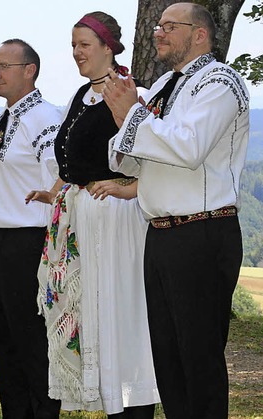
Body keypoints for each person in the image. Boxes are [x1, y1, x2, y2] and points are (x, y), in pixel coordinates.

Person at [103, 3, 249, 418]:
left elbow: (188, 147)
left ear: (200, 34)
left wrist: (129, 115)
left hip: (202, 232)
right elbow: (130, 159)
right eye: (157, 25)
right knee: (167, 357)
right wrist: (126, 118)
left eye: (170, 26)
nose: (158, 33)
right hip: (161, 234)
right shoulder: (167, 83)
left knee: (198, 358)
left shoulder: (221, 80)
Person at [28, 12, 160, 418]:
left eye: (84, 44)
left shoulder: (135, 90)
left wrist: (128, 188)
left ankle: (133, 402)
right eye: (73, 45)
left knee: (120, 310)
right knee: (91, 314)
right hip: (82, 216)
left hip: (118, 218)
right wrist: (58, 192)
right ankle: (105, 400)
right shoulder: (80, 95)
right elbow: (72, 158)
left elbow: (155, 155)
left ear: (108, 47)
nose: (76, 52)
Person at [0, 39, 63, 419]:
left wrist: (53, 195)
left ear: (30, 70)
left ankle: (42, 412)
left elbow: (59, 174)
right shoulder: (3, 117)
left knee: (30, 338)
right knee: (2, 338)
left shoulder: (43, 117)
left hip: (27, 240)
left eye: (4, 66)